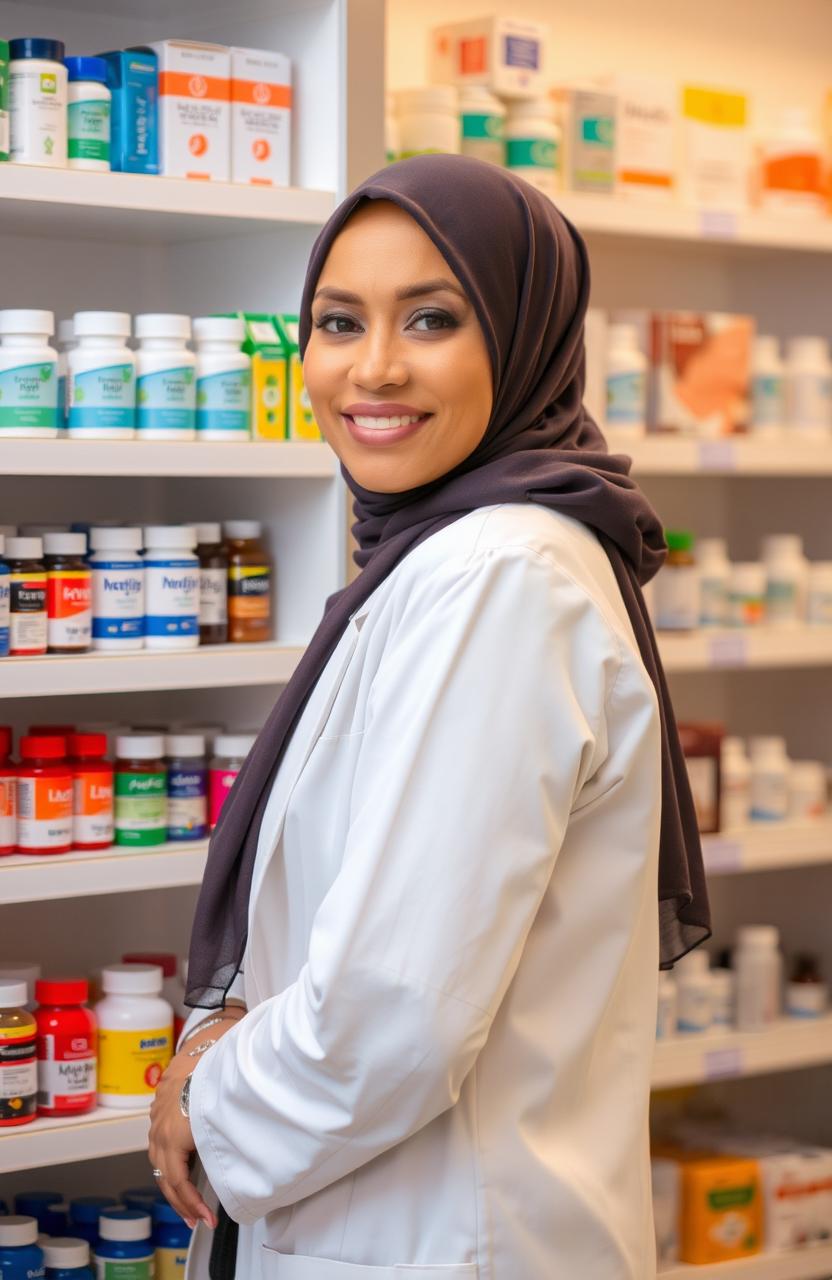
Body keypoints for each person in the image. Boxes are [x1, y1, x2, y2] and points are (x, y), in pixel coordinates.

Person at [149, 154, 710, 1279]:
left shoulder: (500, 575)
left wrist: (208, 1098)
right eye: (338, 321)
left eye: (434, 318)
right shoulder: (445, 557)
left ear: (523, 334)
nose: (375, 368)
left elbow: (394, 1012)